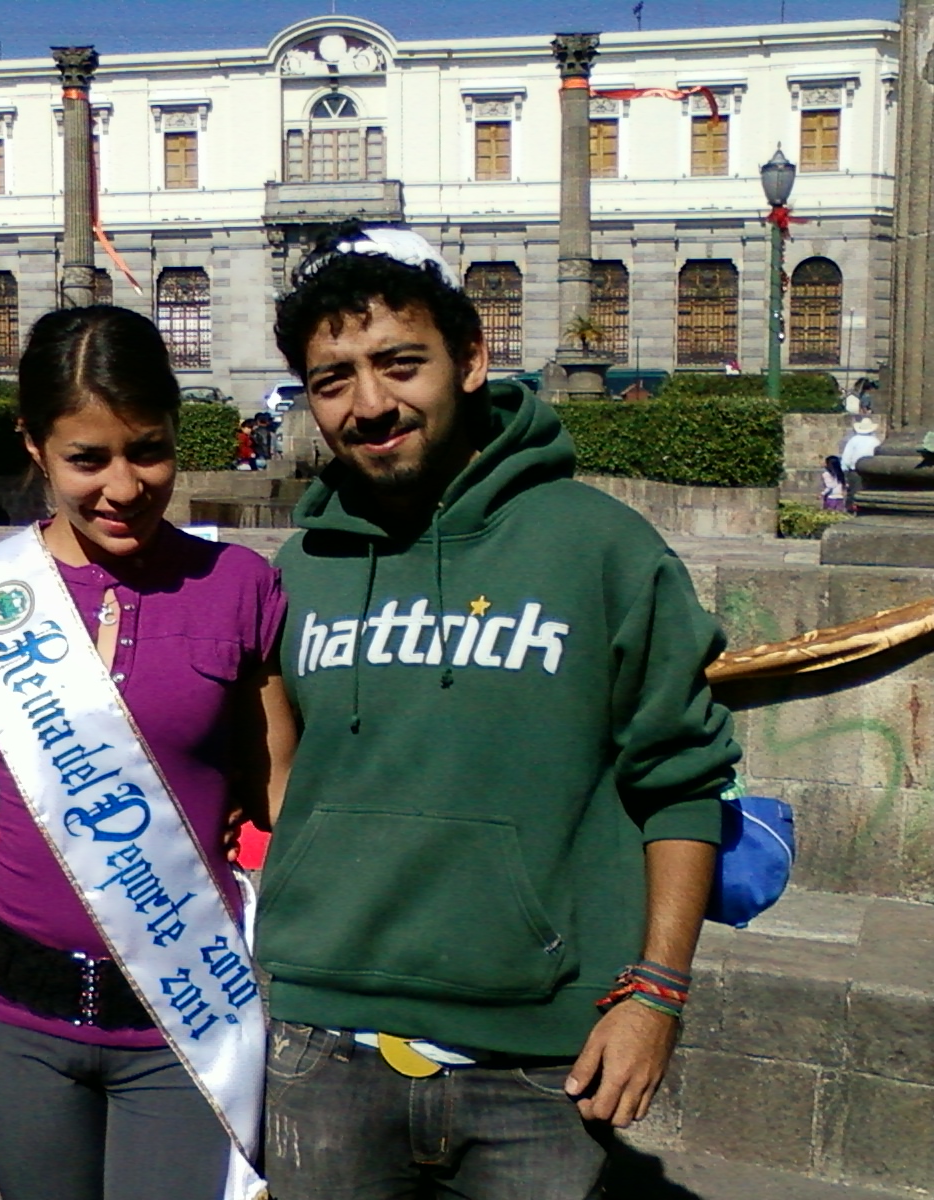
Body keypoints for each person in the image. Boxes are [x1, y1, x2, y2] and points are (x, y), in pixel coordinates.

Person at [256, 225, 741, 1200]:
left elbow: (682, 786)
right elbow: (279, 784)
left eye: (400, 364)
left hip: (540, 1068)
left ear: (470, 360)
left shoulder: (600, 550)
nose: (370, 405)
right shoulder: (295, 573)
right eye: (332, 379)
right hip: (322, 1056)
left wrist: (656, 993)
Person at [0, 305, 297, 1200]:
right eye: (87, 460)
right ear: (35, 446)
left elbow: (283, 793)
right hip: (18, 1024)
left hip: (184, 1022)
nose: (123, 488)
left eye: (149, 450)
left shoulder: (239, 588)